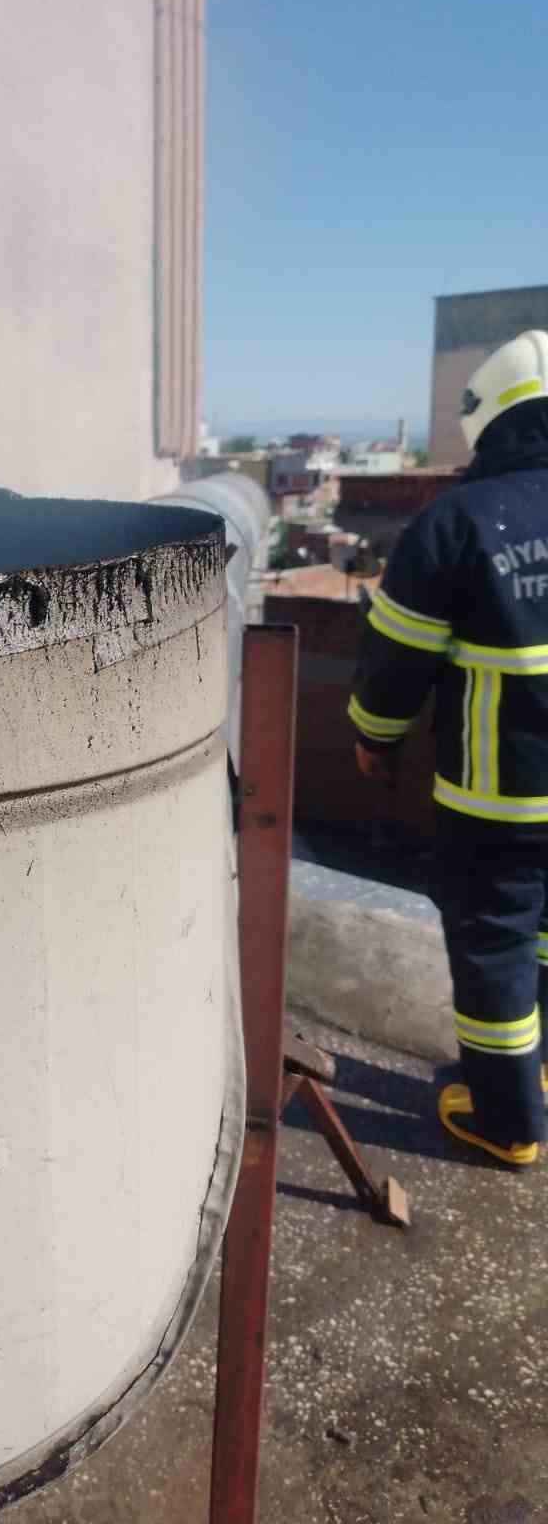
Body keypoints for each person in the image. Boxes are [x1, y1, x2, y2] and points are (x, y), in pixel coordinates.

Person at [349, 329, 548, 1167]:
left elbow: (396, 663)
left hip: (498, 799)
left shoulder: (458, 524)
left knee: (496, 943)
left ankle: (508, 1122)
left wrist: (372, 736)